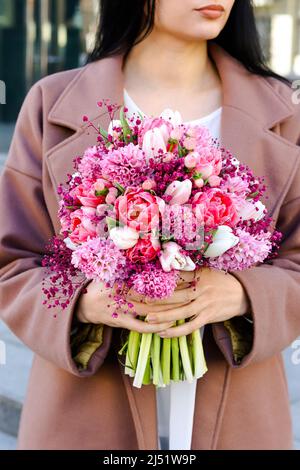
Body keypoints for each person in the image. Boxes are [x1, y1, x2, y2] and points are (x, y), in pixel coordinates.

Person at [0, 0, 299, 450]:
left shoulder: (284, 111)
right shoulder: (52, 102)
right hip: (82, 412)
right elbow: (12, 261)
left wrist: (240, 293)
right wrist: (83, 303)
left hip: (239, 410)